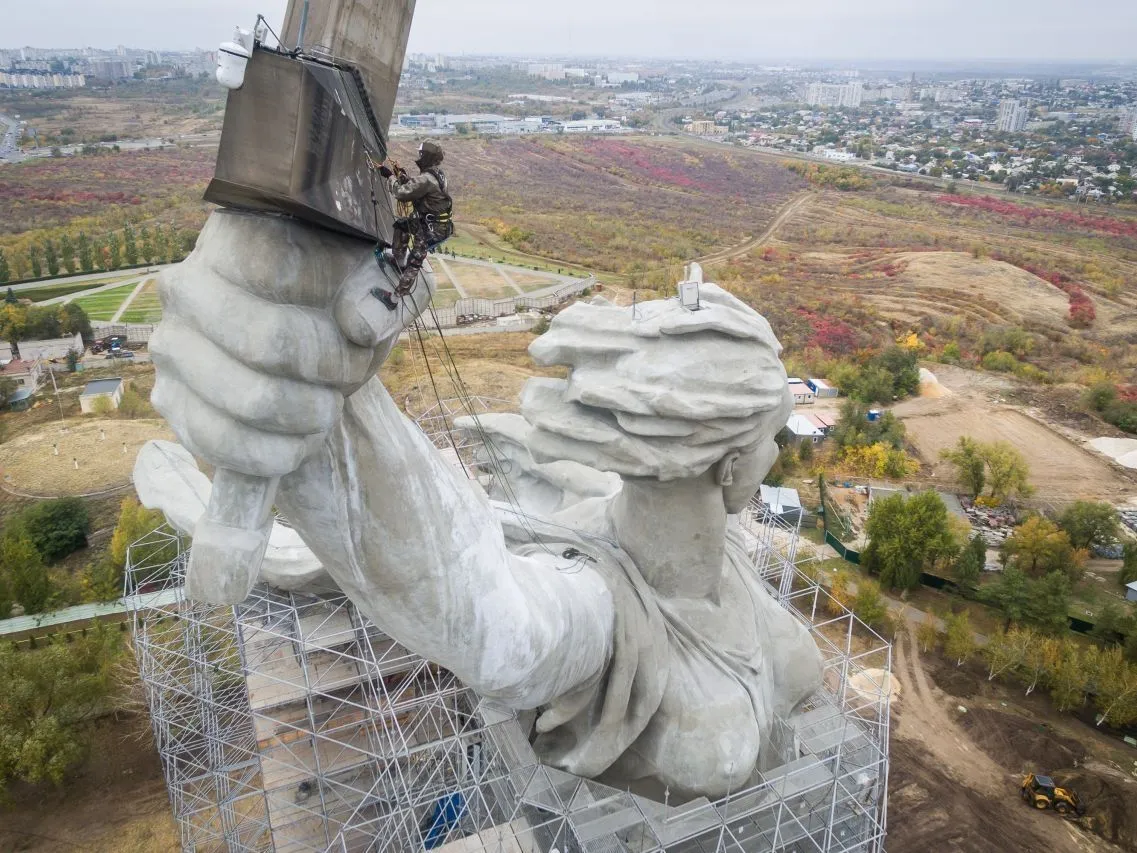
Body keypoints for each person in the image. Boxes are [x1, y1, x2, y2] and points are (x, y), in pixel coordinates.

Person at [145, 218, 823, 802]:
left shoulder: (725, 562)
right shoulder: (600, 610)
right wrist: (316, 391)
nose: (776, 454)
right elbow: (488, 619)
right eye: (772, 436)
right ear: (731, 463)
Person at [379, 140, 453, 297]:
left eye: (421, 154)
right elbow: (419, 188)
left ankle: (395, 298)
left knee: (415, 261)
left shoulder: (427, 178)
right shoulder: (437, 174)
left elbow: (401, 193)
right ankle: (398, 260)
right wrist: (402, 175)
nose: (419, 157)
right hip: (435, 224)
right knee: (402, 225)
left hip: (431, 228)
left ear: (425, 157)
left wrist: (390, 177)